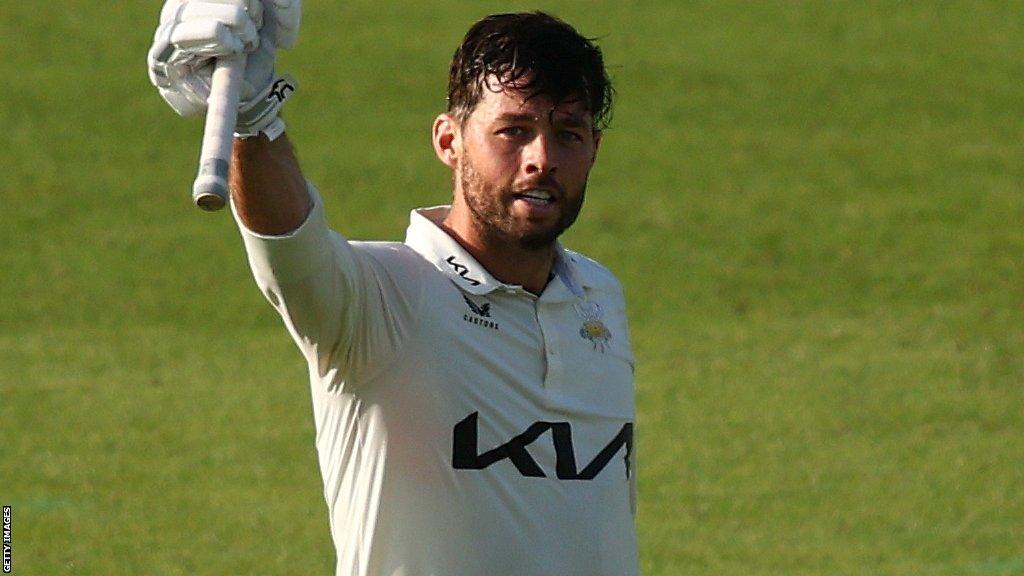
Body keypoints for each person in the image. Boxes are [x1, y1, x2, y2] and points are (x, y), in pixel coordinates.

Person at [149, 3, 637, 575]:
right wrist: (252, 123)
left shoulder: (596, 297)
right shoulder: (380, 300)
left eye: (568, 134)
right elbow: (291, 245)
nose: (542, 159)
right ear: (449, 140)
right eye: (514, 130)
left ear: (595, 149)